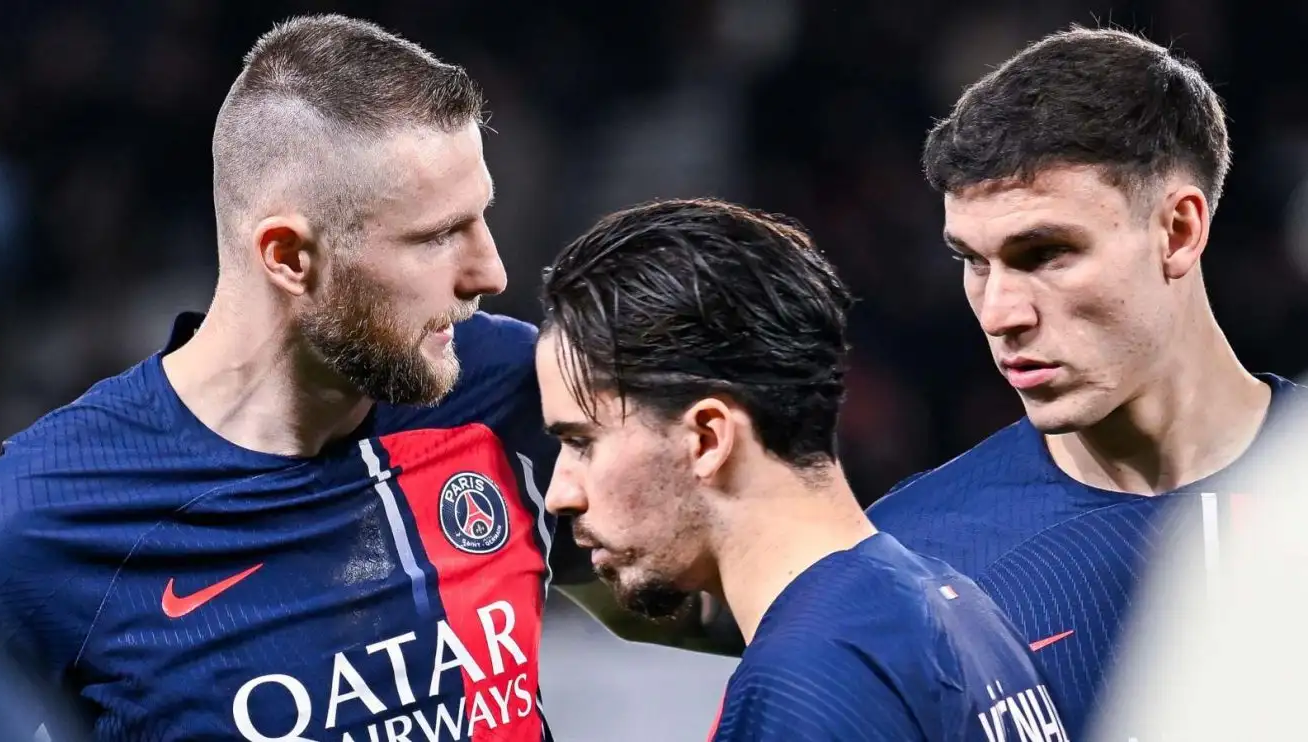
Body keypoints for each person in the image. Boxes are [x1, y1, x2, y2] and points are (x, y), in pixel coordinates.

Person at [0, 14, 712, 741]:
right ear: (289, 257)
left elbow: (707, 611)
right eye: (435, 236)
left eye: (480, 218)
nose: (489, 273)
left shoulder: (505, 390)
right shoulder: (42, 523)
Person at [867, 26, 1306, 740]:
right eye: (973, 262)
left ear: (1178, 230)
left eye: (1045, 252)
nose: (1001, 312)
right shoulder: (904, 566)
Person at [536, 197, 1069, 741]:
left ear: (708, 439)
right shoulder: (952, 609)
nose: (559, 494)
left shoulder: (807, 680)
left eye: (582, 442)